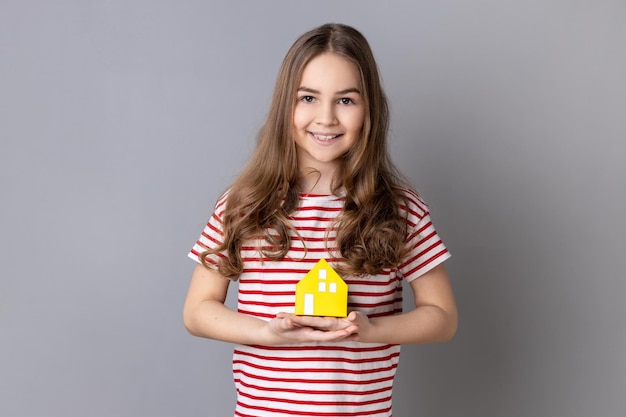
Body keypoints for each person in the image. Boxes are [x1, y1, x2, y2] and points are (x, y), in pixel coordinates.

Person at [183, 23, 458, 417]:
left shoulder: (399, 209)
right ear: (285, 106)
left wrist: (373, 330)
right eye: (308, 97)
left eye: (345, 100)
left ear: (369, 110)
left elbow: (443, 317)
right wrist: (266, 332)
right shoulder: (243, 205)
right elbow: (196, 311)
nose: (325, 118)